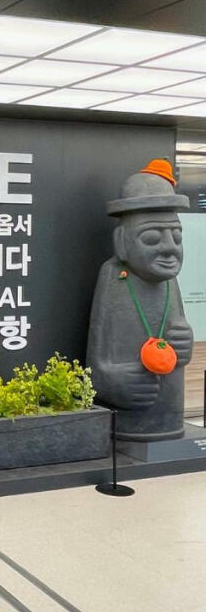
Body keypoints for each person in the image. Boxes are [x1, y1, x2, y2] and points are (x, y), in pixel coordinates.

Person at [87, 159, 192, 441]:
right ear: (122, 242)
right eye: (152, 238)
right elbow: (97, 358)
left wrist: (183, 342)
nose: (169, 248)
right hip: (130, 419)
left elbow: (180, 337)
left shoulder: (170, 280)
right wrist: (112, 381)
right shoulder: (113, 276)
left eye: (176, 237)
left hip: (170, 411)